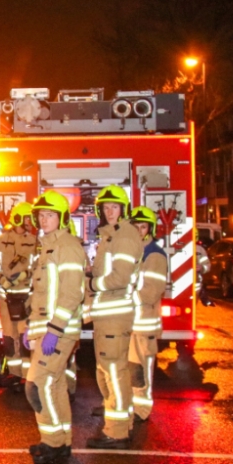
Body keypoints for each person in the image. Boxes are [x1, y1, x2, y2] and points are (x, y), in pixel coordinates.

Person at [21, 191, 85, 464]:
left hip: (59, 330)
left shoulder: (67, 246)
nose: (44, 220)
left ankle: (53, 443)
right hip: (46, 329)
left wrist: (54, 330)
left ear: (62, 218)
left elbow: (72, 293)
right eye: (41, 215)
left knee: (36, 385)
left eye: (50, 215)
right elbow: (41, 295)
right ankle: (60, 442)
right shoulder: (45, 248)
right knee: (55, 385)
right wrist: (30, 328)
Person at [86, 185, 143, 450]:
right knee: (108, 370)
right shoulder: (111, 236)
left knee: (114, 371)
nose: (109, 211)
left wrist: (93, 284)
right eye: (106, 207)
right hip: (106, 314)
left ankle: (117, 431)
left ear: (124, 209)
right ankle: (121, 419)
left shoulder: (125, 235)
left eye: (114, 207)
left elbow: (119, 277)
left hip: (114, 313)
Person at [0, 201, 37, 388]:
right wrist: (3, 280)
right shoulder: (0, 241)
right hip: (6, 297)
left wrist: (26, 275)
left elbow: (37, 265)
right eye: (26, 218)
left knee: (25, 336)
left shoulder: (34, 242)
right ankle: (14, 373)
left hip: (26, 297)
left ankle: (27, 375)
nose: (29, 221)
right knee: (9, 336)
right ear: (17, 218)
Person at [129, 206, 168, 421]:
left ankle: (141, 410)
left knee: (141, 371)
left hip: (144, 324)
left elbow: (151, 292)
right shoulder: (133, 252)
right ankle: (131, 407)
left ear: (150, 229)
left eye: (142, 226)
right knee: (130, 369)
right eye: (135, 226)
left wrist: (125, 299)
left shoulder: (154, 255)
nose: (138, 230)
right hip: (130, 322)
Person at [196, 237, 216, 306]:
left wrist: (201, 268)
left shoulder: (199, 250)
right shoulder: (199, 249)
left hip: (196, 286)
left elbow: (207, 266)